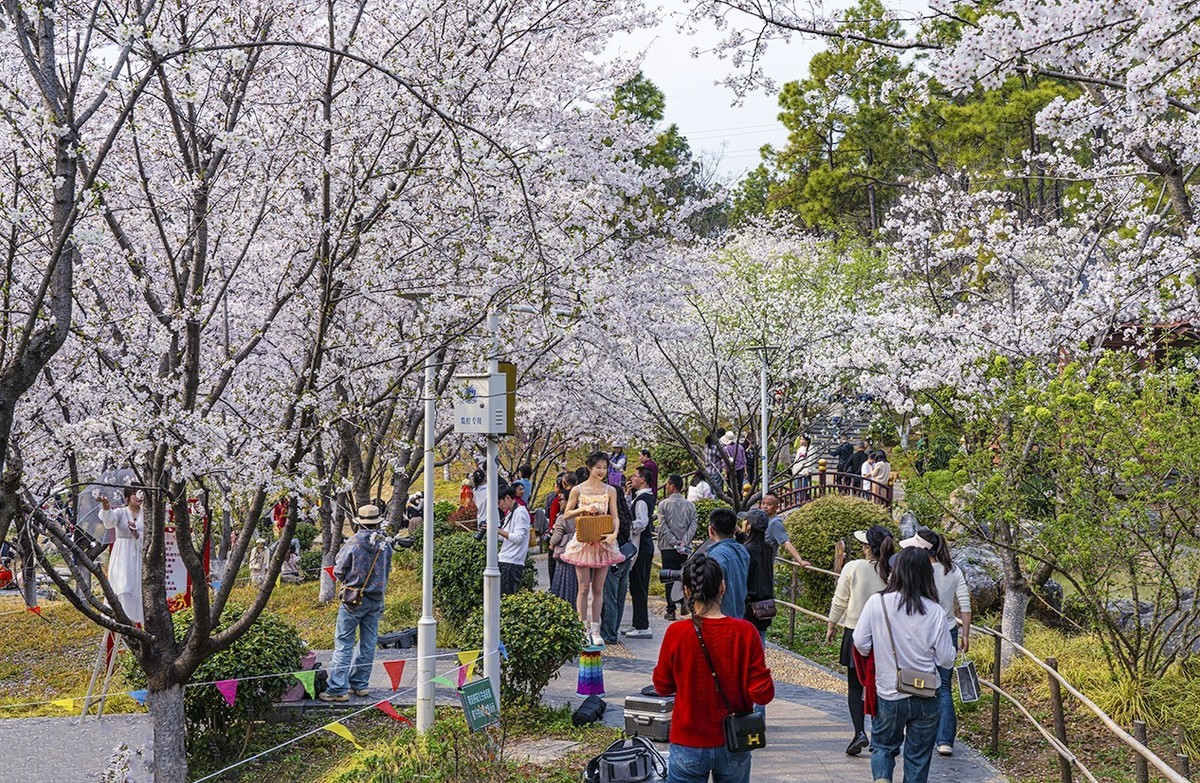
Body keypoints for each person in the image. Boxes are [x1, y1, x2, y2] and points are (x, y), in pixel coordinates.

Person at [652, 555, 775, 783]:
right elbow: (762, 693)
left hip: (688, 740)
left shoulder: (677, 633)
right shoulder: (745, 632)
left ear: (687, 591)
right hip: (734, 740)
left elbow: (661, 686)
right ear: (723, 587)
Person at [853, 547, 956, 783]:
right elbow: (945, 660)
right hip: (925, 694)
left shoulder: (877, 603)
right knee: (918, 757)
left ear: (895, 572)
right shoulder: (935, 612)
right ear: (925, 575)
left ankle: (882, 779)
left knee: (883, 747)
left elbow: (860, 642)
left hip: (889, 691)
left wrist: (878, 650)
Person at [827, 524, 895, 755]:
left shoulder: (853, 567)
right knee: (881, 686)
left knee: (855, 687)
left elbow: (840, 600)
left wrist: (831, 624)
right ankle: (879, 734)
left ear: (868, 547)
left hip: (855, 632)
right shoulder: (893, 570)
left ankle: (859, 732)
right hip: (885, 636)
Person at [321, 505, 394, 702]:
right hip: (376, 598)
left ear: (359, 522)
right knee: (368, 643)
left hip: (353, 599)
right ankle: (360, 684)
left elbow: (338, 570)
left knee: (344, 643)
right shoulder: (385, 544)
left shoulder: (353, 543)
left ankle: (337, 689)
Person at [910, 529, 972, 757]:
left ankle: (920, 731)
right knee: (944, 687)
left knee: (920, 682)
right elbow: (965, 605)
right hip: (948, 631)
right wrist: (965, 634)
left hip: (921, 631)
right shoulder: (953, 570)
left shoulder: (918, 570)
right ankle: (945, 740)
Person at [560, 451, 625, 646]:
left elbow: (615, 516)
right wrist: (583, 509)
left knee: (598, 588)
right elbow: (566, 514)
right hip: (583, 542)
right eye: (598, 467)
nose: (602, 471)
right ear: (589, 468)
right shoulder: (578, 490)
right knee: (583, 587)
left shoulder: (610, 490)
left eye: (605, 468)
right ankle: (582, 629)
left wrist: (614, 534)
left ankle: (595, 630)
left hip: (603, 541)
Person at [97, 487, 145, 625]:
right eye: (134, 494)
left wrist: (136, 534)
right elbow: (109, 522)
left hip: (139, 552)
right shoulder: (121, 512)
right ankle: (123, 620)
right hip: (122, 555)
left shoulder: (146, 514)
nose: (138, 497)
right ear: (127, 497)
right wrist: (106, 505)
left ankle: (138, 621)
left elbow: (150, 536)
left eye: (141, 493)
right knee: (123, 587)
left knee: (138, 587)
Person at [657, 474, 698, 621]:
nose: (666, 487)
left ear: (672, 486)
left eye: (667, 484)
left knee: (669, 576)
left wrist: (674, 541)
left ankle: (671, 608)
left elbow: (662, 526)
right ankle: (683, 601)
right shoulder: (690, 505)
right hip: (685, 547)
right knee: (683, 575)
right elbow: (694, 524)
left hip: (668, 546)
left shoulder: (663, 505)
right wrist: (684, 541)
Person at [600, 486, 636, 644]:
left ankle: (609, 633)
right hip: (625, 557)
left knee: (610, 597)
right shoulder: (625, 515)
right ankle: (613, 629)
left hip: (612, 559)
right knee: (620, 597)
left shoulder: (610, 518)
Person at [624, 466, 657, 639]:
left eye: (635, 476)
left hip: (641, 547)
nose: (632, 478)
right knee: (637, 585)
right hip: (644, 546)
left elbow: (641, 522)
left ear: (642, 479)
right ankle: (638, 623)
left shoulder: (643, 500)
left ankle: (643, 625)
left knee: (639, 586)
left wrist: (628, 527)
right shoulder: (641, 497)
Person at [703, 507, 749, 620]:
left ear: (711, 530)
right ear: (734, 530)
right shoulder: (743, 551)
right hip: (739, 615)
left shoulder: (715, 556)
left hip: (720, 617)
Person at [741, 510, 775, 646]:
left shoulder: (746, 550)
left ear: (749, 526)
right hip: (765, 605)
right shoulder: (768, 549)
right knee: (759, 642)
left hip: (749, 604)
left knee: (745, 645)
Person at [754, 492, 810, 568]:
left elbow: (786, 543)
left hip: (763, 566)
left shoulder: (775, 523)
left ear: (776, 508)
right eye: (763, 503)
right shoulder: (762, 518)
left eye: (769, 504)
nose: (764, 506)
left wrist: (800, 561)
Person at [548, 476, 580, 605]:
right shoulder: (580, 514)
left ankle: (563, 606)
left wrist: (551, 544)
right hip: (577, 553)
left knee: (562, 583)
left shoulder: (563, 517)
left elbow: (557, 535)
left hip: (564, 555)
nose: (559, 502)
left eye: (561, 500)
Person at [497, 487, 530, 595]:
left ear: (507, 498)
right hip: (506, 560)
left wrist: (497, 530)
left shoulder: (520, 513)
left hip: (512, 562)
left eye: (499, 502)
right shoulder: (511, 512)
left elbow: (518, 538)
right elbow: (504, 537)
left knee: (505, 597)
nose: (499, 506)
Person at [721, 432, 747, 496]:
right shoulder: (740, 447)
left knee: (731, 486)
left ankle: (732, 500)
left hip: (730, 470)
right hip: (740, 469)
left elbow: (725, 462)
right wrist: (745, 471)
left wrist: (725, 473)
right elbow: (744, 461)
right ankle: (740, 499)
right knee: (740, 485)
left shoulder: (725, 449)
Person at [472, 468, 488, 533]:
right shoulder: (491, 487)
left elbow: (475, 501)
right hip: (493, 518)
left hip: (481, 517)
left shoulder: (474, 491)